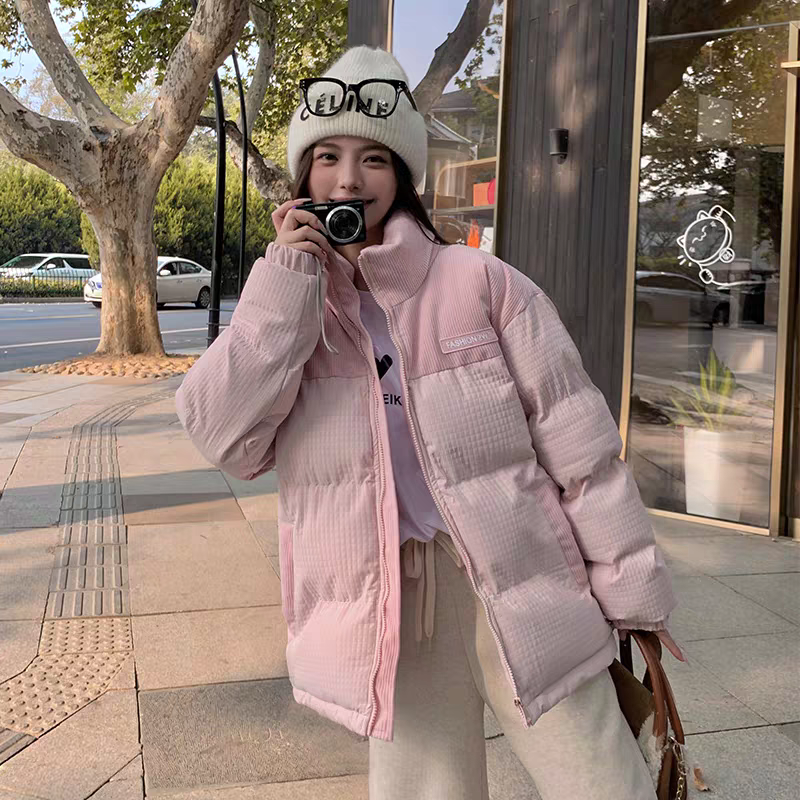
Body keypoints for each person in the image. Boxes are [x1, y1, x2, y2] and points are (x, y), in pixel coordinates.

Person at [176, 45, 683, 800]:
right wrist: (283, 290)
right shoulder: (292, 306)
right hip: (391, 594)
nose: (349, 180)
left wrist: (631, 589)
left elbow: (579, 450)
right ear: (302, 176)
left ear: (403, 175)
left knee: (601, 779)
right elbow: (223, 439)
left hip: (521, 575)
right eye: (327, 157)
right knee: (424, 789)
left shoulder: (483, 285)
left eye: (374, 159)